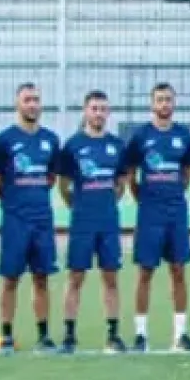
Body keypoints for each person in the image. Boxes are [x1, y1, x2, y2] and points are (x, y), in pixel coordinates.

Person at [0, 83, 61, 354]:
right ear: (17, 104)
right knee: (10, 278)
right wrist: (13, 200)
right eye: (27, 100)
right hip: (15, 219)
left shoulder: (50, 140)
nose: (32, 105)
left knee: (42, 277)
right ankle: (7, 335)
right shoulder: (4, 140)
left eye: (36, 100)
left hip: (42, 219)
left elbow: (51, 178)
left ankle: (44, 335)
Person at [125, 82, 190, 352]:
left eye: (168, 99)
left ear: (174, 103)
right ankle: (141, 335)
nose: (164, 104)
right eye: (160, 99)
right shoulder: (141, 136)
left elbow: (187, 173)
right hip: (149, 214)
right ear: (152, 103)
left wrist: (174, 194)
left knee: (178, 271)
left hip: (176, 213)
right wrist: (144, 198)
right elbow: (131, 175)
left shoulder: (183, 135)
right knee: (145, 272)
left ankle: (180, 334)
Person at [57, 90, 129, 354]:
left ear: (108, 113)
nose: (98, 113)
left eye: (102, 109)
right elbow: (63, 185)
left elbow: (120, 184)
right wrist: (78, 206)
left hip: (108, 221)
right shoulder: (73, 145)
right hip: (82, 222)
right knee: (75, 277)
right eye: (94, 108)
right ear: (85, 111)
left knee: (111, 278)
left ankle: (113, 334)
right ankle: (69, 335)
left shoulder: (117, 145)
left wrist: (106, 203)